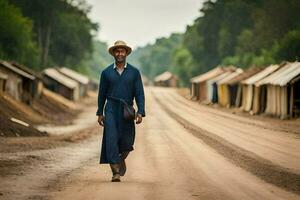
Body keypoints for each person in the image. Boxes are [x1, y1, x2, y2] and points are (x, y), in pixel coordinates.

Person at [96, 40, 145, 182]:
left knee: (127, 142)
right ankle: (115, 172)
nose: (119, 53)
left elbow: (140, 93)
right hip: (111, 108)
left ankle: (120, 158)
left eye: (122, 51)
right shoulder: (106, 73)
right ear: (113, 54)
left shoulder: (134, 72)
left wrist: (140, 111)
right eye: (117, 51)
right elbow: (101, 94)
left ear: (126, 53)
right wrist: (100, 112)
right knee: (111, 139)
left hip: (127, 110)